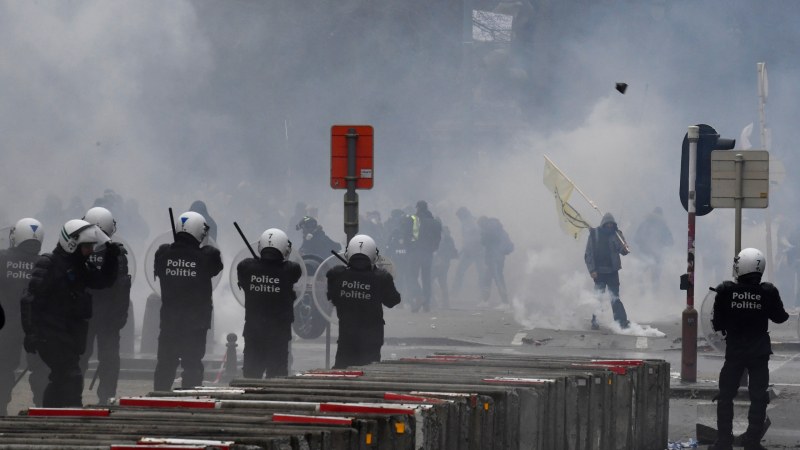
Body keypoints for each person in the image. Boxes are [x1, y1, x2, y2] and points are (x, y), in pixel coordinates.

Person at [21, 219, 120, 407]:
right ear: (72, 243)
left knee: (62, 379)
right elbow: (30, 300)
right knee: (71, 377)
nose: (90, 250)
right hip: (50, 335)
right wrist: (31, 332)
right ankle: (72, 412)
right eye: (87, 246)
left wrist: (111, 259)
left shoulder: (79, 266)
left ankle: (53, 415)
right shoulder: (49, 263)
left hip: (69, 336)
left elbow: (102, 282)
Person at [709, 248, 789, 450]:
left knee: (725, 396)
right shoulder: (767, 292)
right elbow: (780, 317)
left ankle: (724, 441)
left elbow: (717, 324)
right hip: (759, 353)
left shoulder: (726, 291)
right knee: (759, 396)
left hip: (735, 352)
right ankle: (752, 442)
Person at [153, 211, 223, 391]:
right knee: (192, 366)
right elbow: (216, 267)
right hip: (195, 323)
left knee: (165, 364)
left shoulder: (163, 253)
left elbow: (158, 268)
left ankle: (158, 399)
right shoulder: (206, 256)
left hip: (169, 321)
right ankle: (189, 403)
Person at [78, 207, 132, 405]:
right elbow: (122, 288)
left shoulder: (78, 252)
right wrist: (121, 316)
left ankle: (73, 395)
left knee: (79, 358)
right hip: (108, 318)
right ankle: (106, 398)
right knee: (109, 360)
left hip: (82, 315)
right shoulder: (117, 255)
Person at [326, 234, 401, 368]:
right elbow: (393, 301)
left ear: (348, 254)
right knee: (368, 372)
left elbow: (332, 298)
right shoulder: (381, 278)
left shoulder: (337, 275)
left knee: (342, 372)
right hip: (372, 338)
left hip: (346, 336)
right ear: (374, 255)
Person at [236, 228, 302, 378]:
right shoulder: (289, 270)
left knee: (251, 377)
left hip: (254, 331)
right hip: (278, 334)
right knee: (276, 378)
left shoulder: (247, 268)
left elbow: (243, 279)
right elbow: (295, 272)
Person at [0, 218, 44, 414]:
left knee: (3, 369)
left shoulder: (2, 258)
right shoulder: (44, 263)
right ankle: (43, 408)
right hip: (36, 326)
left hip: (6, 326)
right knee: (41, 370)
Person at [584, 212, 630, 329]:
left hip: (612, 272)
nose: (609, 226)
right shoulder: (594, 234)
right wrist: (592, 270)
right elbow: (589, 254)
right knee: (598, 298)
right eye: (607, 224)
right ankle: (595, 322)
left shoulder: (617, 234)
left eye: (611, 224)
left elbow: (623, 251)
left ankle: (621, 322)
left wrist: (625, 248)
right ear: (603, 224)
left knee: (615, 297)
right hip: (599, 272)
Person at [409, 201, 442, 312]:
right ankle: (426, 304)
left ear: (418, 208)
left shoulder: (415, 220)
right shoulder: (435, 222)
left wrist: (410, 248)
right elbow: (438, 239)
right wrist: (433, 249)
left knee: (412, 276)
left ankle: (419, 296)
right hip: (429, 253)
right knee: (426, 278)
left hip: (416, 252)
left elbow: (409, 235)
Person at [633, 207, 673, 288]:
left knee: (642, 275)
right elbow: (670, 241)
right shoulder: (661, 226)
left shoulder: (646, 224)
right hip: (652, 254)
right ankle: (650, 294)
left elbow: (636, 239)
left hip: (648, 254)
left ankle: (645, 293)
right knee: (652, 277)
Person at [478, 217, 514, 305]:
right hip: (498, 257)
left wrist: (483, 234)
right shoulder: (498, 229)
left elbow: (484, 242)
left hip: (494, 257)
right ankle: (485, 300)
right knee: (489, 279)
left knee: (498, 279)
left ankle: (505, 302)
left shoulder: (489, 230)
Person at [452, 207, 483, 298]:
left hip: (477, 251)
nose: (459, 219)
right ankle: (455, 292)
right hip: (470, 251)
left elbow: (474, 239)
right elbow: (466, 240)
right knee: (461, 271)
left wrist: (463, 250)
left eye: (460, 217)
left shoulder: (472, 223)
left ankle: (483, 293)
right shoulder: (466, 223)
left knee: (480, 272)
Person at [432, 225, 458, 309]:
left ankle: (434, 302)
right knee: (443, 282)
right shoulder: (448, 237)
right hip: (445, 263)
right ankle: (446, 303)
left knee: (429, 281)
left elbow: (438, 250)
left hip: (438, 263)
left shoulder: (440, 236)